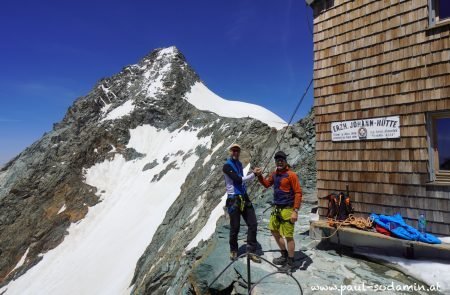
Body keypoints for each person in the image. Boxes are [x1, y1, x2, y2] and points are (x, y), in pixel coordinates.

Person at [254, 151, 302, 272]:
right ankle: (284, 254)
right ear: (275, 162)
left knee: (289, 236)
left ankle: (290, 263)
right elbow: (266, 184)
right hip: (277, 208)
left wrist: (295, 210)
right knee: (274, 230)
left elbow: (298, 193)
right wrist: (259, 176)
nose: (279, 161)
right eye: (277, 160)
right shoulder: (274, 174)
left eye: (282, 159)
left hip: (288, 209)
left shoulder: (291, 175)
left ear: (285, 161)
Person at [223, 143, 261, 263]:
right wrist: (253, 175)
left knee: (253, 223)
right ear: (230, 152)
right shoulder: (227, 166)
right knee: (235, 226)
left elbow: (241, 181)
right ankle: (233, 250)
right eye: (233, 151)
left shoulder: (239, 164)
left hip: (243, 196)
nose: (235, 153)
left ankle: (251, 250)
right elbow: (237, 179)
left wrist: (253, 175)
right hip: (233, 198)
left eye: (237, 151)